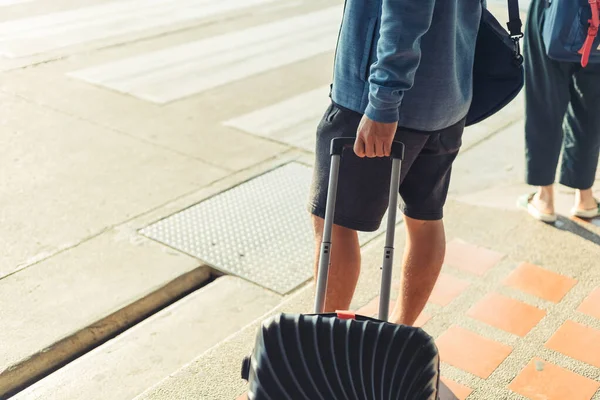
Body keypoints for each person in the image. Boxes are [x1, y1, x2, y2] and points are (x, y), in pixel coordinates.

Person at [307, 0, 483, 326]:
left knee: (335, 224)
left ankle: (326, 352)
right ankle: (400, 336)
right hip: (448, 96)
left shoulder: (382, 102)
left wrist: (384, 100)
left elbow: (406, 9)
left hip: (377, 104)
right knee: (425, 218)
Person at [519, 0, 600, 223]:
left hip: (554, 10)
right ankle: (585, 197)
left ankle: (545, 198)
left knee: (544, 103)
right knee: (591, 109)